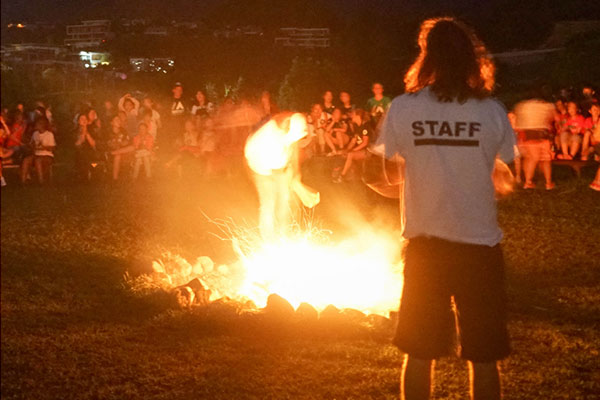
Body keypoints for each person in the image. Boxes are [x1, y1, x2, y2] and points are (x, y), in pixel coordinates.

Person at [377, 17, 514, 400]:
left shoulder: (404, 108)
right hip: (479, 248)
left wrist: (425, 169)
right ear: (473, 58)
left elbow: (387, 173)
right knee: (485, 358)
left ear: (427, 57)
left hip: (427, 247)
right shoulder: (492, 112)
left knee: (420, 354)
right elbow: (503, 175)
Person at [244, 113, 319, 239]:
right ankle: (270, 240)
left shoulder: (289, 124)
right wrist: (300, 190)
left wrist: (297, 179)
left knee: (286, 197)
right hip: (259, 166)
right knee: (270, 201)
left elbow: (294, 150)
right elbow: (279, 177)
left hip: (275, 162)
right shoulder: (272, 144)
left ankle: (284, 233)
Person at [514, 94, 556, 190]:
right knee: (544, 159)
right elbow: (553, 118)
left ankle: (528, 182)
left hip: (528, 135)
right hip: (542, 133)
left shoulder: (522, 106)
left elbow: (518, 124)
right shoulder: (547, 106)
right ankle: (548, 183)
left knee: (531, 158)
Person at [333, 109, 372, 183]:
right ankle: (338, 172)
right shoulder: (357, 127)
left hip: (368, 151)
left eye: (353, 115)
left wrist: (353, 150)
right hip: (360, 150)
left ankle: (342, 176)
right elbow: (353, 141)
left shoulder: (365, 127)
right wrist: (346, 150)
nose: (351, 116)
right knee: (344, 153)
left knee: (350, 154)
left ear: (358, 116)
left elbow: (365, 143)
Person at [30, 116, 56, 184]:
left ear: (42, 124)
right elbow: (32, 144)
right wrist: (32, 146)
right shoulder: (35, 134)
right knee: (26, 160)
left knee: (38, 160)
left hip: (47, 155)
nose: (35, 125)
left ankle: (41, 181)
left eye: (37, 124)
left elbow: (52, 148)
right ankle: (23, 183)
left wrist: (42, 147)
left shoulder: (49, 134)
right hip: (36, 154)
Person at [74, 114, 98, 181]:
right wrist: (83, 131)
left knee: (90, 158)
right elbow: (79, 143)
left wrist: (86, 132)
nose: (84, 121)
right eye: (82, 119)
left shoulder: (92, 131)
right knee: (81, 154)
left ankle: (89, 174)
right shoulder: (75, 132)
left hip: (91, 153)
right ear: (78, 121)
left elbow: (93, 144)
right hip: (78, 153)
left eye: (85, 119)